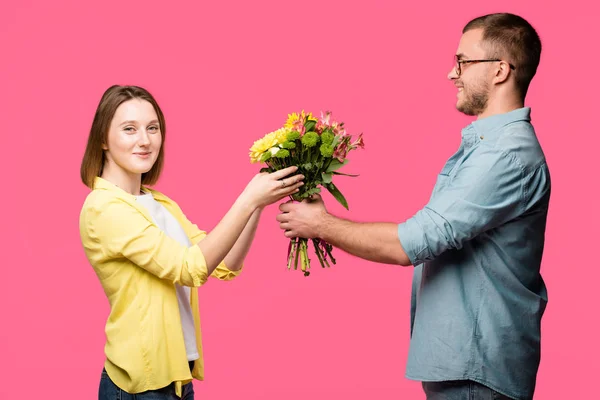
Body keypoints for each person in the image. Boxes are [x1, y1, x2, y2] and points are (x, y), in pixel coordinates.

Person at [277, 13, 549, 400]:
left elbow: (411, 244)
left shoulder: (505, 155)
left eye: (463, 62)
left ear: (500, 70)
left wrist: (320, 224)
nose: (451, 74)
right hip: (467, 367)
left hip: (477, 372)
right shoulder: (488, 148)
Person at [79, 85, 304, 399]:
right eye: (129, 129)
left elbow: (225, 263)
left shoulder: (158, 202)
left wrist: (258, 203)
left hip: (177, 380)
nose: (144, 140)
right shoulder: (104, 208)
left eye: (152, 128)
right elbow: (190, 267)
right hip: (141, 388)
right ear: (103, 139)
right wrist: (247, 198)